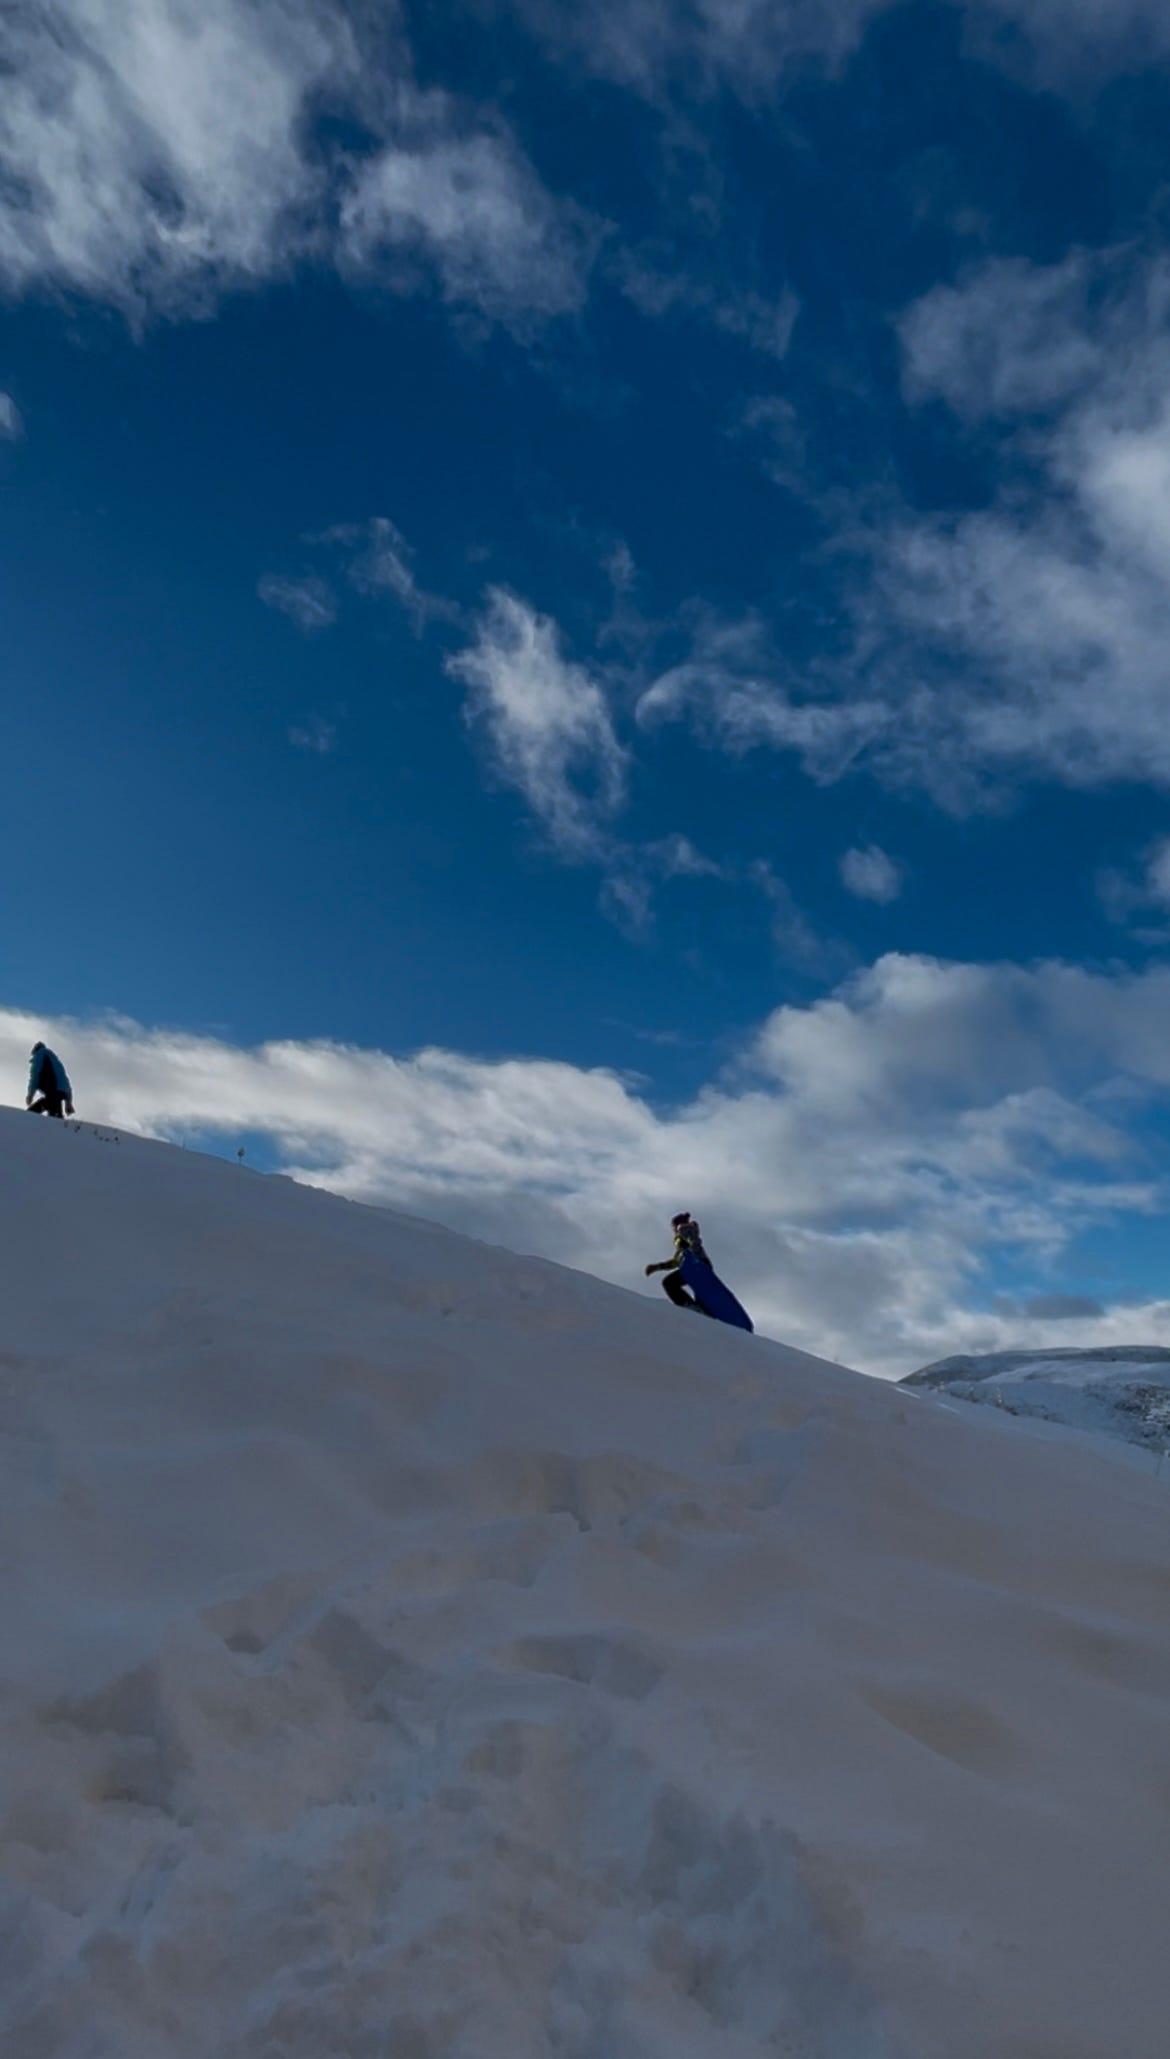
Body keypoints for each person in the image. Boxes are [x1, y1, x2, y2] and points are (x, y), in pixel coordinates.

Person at [645, 1211, 713, 1313]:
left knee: (669, 1283)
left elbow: (693, 1243)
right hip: (699, 1264)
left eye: (672, 1226)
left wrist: (694, 1257)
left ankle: (691, 1306)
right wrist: (658, 1266)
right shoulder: (686, 1233)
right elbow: (678, 1260)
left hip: (696, 1265)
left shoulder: (683, 1230)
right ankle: (702, 1308)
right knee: (698, 1289)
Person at [26, 1041, 74, 1119]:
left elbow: (35, 1076)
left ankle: (24, 1119)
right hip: (61, 1093)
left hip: (52, 1090)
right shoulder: (56, 1062)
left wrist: (30, 1095)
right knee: (54, 1112)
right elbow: (67, 1084)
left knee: (46, 1111)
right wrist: (68, 1103)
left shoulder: (40, 1055)